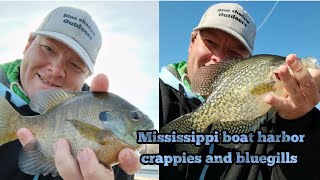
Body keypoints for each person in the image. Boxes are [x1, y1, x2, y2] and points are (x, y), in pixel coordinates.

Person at [159, 3, 320, 180]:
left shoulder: (269, 124)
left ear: (246, 62)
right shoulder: (160, 96)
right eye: (210, 42)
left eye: (235, 53)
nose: (218, 58)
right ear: (191, 41)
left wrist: (299, 123)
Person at [0, 6, 141, 180]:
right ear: (28, 44)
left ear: (87, 75)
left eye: (75, 65)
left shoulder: (118, 151)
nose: (56, 70)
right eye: (48, 48)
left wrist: (117, 172)